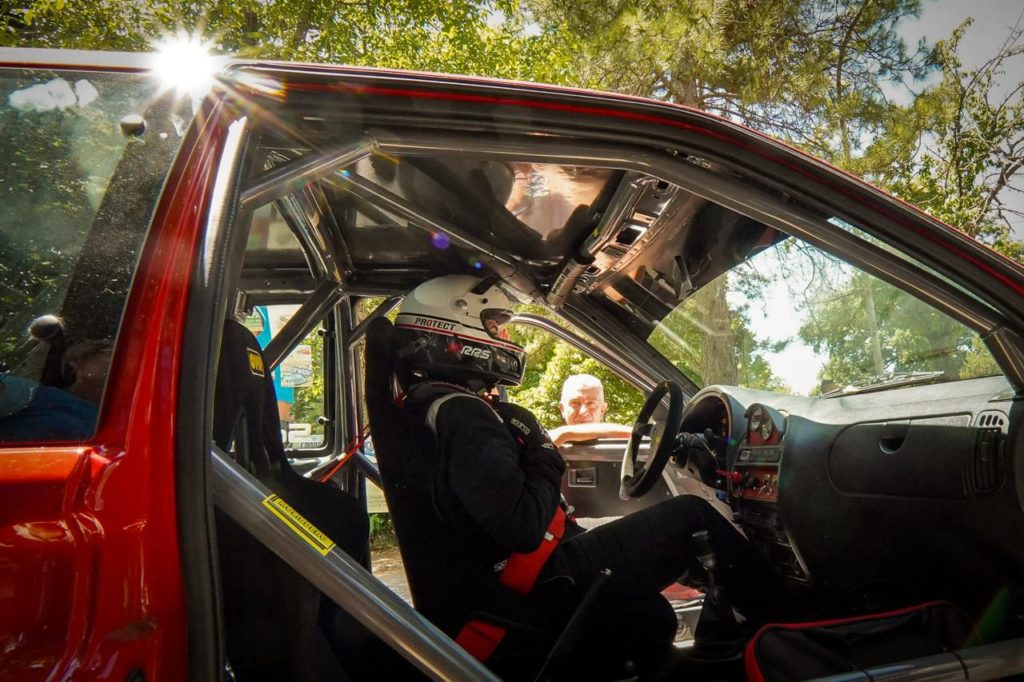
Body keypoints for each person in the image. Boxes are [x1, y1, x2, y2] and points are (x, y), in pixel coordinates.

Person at [365, 275, 781, 676]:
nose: (503, 337)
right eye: (493, 326)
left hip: (509, 579)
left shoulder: (428, 405)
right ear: (454, 328)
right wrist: (545, 455)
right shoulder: (462, 412)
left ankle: (724, 647)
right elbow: (524, 526)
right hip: (538, 580)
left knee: (651, 599)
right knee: (692, 518)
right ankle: (792, 625)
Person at [548, 373, 632, 446]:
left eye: (591, 403)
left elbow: (636, 435)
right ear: (562, 409)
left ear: (602, 410)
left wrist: (565, 434)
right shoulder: (547, 442)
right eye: (575, 403)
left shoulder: (621, 446)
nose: (583, 411)